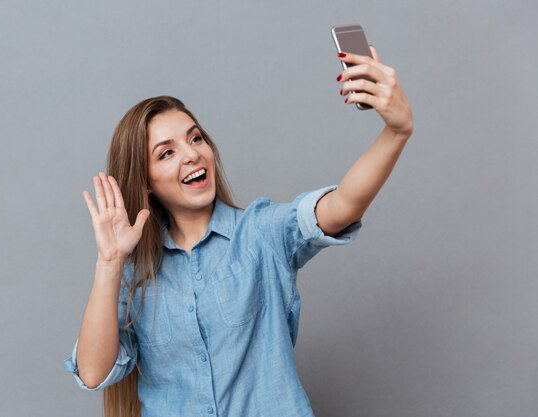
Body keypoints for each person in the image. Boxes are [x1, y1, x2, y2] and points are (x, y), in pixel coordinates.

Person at [64, 47, 413, 417]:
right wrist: (110, 261)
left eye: (195, 138)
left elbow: (341, 206)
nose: (191, 154)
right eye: (166, 153)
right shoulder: (135, 273)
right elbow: (93, 372)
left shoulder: (261, 233)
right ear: (145, 181)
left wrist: (396, 131)